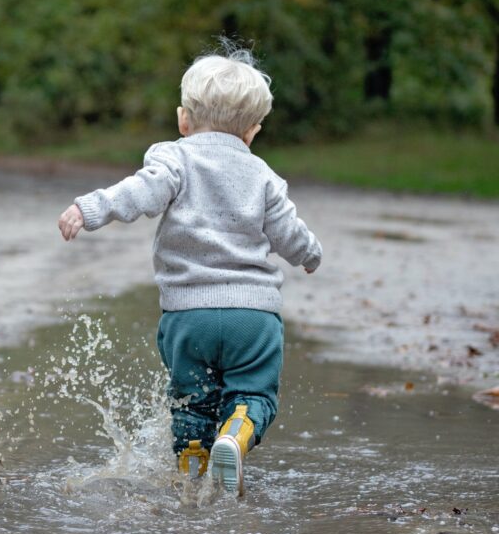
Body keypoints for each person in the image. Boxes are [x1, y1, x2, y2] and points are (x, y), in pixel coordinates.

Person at [58, 44, 322, 496]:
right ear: (253, 132)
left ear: (184, 120)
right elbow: (291, 235)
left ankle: (191, 469)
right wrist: (310, 255)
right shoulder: (263, 176)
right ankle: (237, 432)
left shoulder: (174, 158)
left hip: (187, 317)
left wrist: (90, 208)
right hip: (253, 319)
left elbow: (138, 192)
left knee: (190, 403)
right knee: (252, 395)